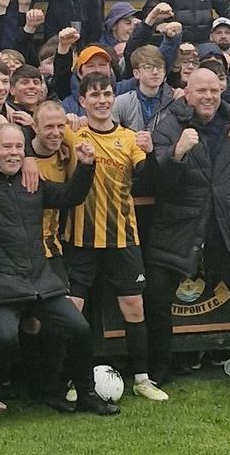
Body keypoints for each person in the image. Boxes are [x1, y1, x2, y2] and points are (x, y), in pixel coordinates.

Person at [0, 124, 117, 429]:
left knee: (79, 327)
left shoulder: (32, 181)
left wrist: (86, 166)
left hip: (39, 280)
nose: (14, 153)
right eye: (7, 147)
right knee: (3, 337)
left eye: (19, 147)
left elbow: (70, 196)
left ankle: (86, 393)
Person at [147, 68, 230, 393]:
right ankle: (158, 370)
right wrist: (176, 153)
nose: (208, 97)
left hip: (229, 228)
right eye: (201, 91)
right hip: (179, 226)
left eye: (213, 90)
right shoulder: (167, 126)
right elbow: (153, 181)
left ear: (221, 90)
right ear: (187, 93)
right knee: (155, 298)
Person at [65, 73, 163, 399]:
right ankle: (72, 381)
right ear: (82, 101)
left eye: (106, 93)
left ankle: (142, 379)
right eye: (94, 95)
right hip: (79, 237)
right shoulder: (72, 134)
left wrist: (149, 154)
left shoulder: (131, 138)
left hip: (123, 235)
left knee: (134, 307)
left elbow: (146, 178)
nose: (102, 100)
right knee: (72, 310)